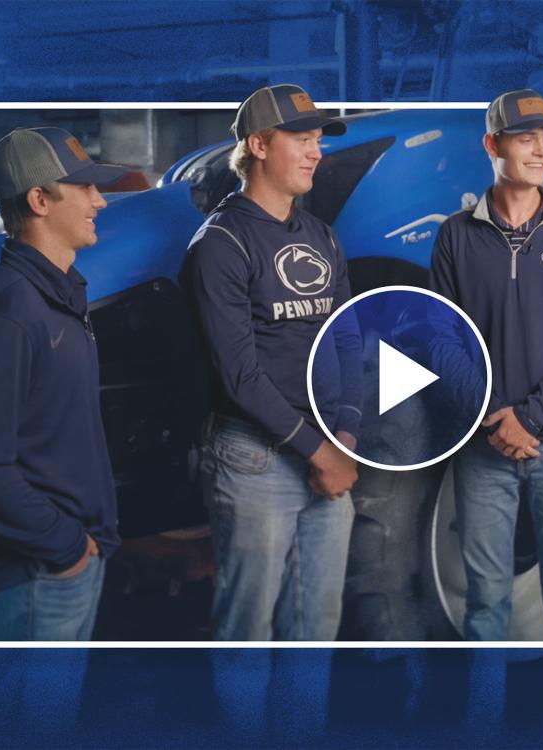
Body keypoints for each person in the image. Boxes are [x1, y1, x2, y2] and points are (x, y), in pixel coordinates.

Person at [180, 84, 362, 641]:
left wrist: (346, 433)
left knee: (316, 629)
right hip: (255, 461)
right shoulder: (221, 244)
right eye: (301, 139)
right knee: (247, 635)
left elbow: (347, 339)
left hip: (329, 451)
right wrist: (321, 452)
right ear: (258, 145)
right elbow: (239, 376)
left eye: (318, 140)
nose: (316, 152)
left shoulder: (321, 236)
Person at [429, 89, 543, 640]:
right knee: (485, 607)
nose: (540, 151)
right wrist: (494, 415)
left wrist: (527, 419)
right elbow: (441, 338)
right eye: (526, 138)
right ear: (492, 145)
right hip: (483, 445)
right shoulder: (455, 234)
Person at [0, 126, 128, 640]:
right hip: (31, 578)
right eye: (84, 188)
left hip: (61, 566)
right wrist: (66, 548)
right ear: (39, 199)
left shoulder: (55, 294)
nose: (100, 201)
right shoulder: (11, 309)